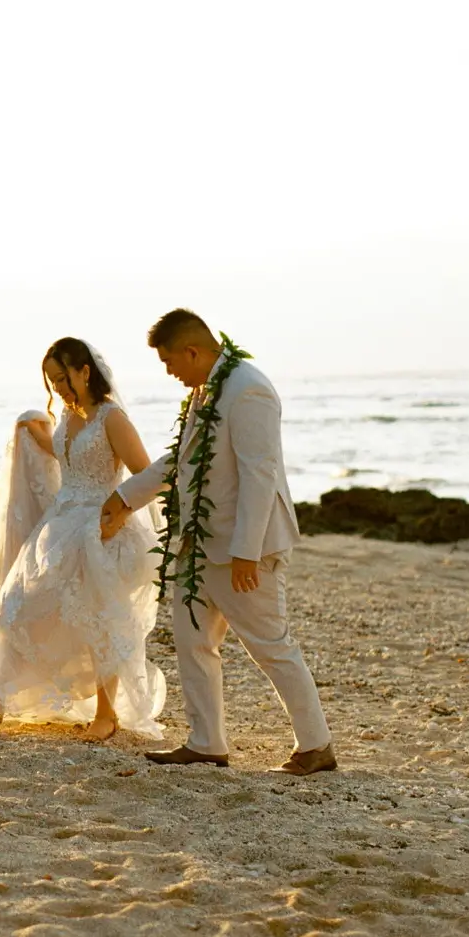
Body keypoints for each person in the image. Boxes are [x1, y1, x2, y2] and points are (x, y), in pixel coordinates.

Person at [100, 309, 337, 775]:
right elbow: (182, 460)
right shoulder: (202, 391)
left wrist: (246, 551)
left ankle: (316, 747)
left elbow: (258, 473)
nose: (170, 372)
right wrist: (127, 497)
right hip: (198, 545)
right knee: (193, 643)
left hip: (243, 549)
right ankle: (206, 743)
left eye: (171, 362)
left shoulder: (248, 387)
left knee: (271, 645)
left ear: (193, 351)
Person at [0, 337, 166, 740]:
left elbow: (147, 475)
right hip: (60, 526)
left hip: (100, 530)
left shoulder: (112, 418)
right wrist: (33, 431)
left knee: (99, 621)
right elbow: (64, 454)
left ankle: (106, 716)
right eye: (52, 382)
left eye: (64, 378)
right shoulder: (68, 416)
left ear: (86, 371)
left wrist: (119, 514)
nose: (59, 389)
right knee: (16, 607)